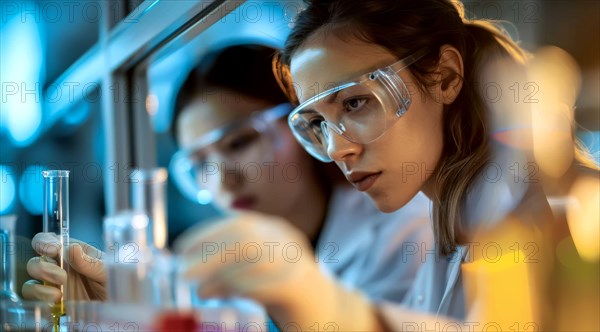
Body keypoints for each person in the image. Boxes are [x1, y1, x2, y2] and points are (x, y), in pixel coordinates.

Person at [175, 1, 597, 331]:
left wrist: (338, 315)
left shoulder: (554, 210)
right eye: (318, 124)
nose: (338, 149)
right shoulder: (450, 225)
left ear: (446, 77)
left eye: (356, 103)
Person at [21, 43, 431, 313]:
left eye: (238, 144)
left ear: (307, 125)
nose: (223, 180)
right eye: (200, 165)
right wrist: (124, 308)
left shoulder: (404, 232)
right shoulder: (230, 269)